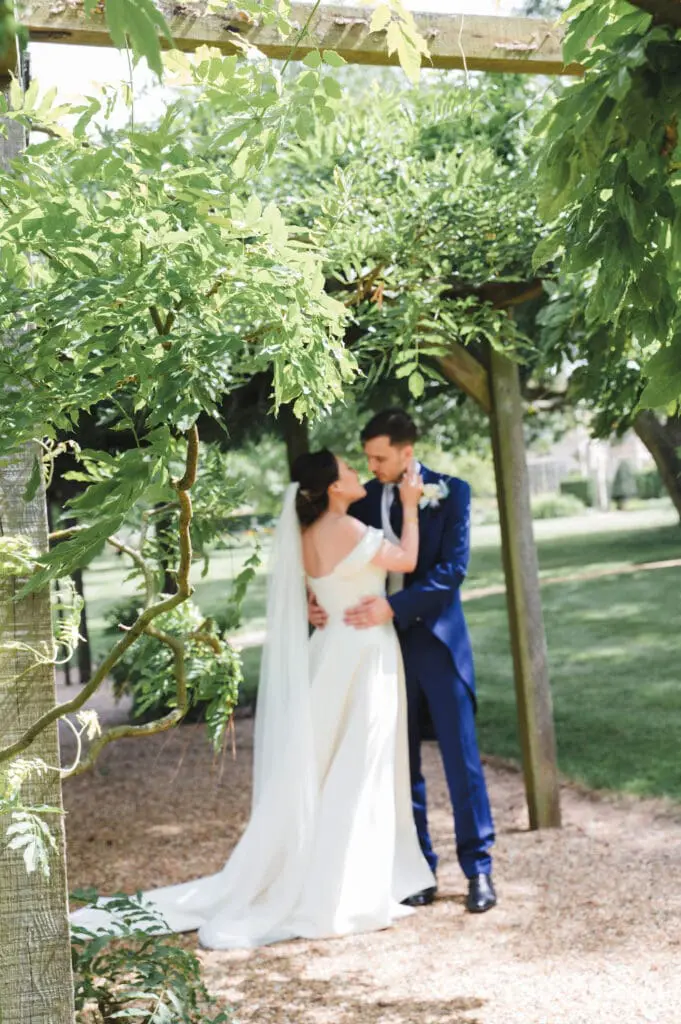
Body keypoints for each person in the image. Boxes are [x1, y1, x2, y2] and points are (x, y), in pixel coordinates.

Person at [71, 450, 434, 949]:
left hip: (328, 655)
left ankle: (340, 873)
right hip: (363, 656)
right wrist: (411, 507)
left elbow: (321, 591)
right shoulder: (347, 529)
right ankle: (346, 888)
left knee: (324, 764)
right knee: (358, 765)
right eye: (349, 468)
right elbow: (407, 561)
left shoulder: (306, 538)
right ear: (332, 487)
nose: (355, 472)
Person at [310, 409, 497, 913]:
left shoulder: (452, 492)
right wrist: (317, 601)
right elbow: (333, 554)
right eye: (367, 457)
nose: (371, 466)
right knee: (400, 763)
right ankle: (419, 869)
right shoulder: (362, 499)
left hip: (436, 642)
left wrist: (395, 606)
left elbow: (451, 572)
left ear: (406, 452)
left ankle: (478, 869)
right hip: (381, 651)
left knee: (461, 759)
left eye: (380, 457)